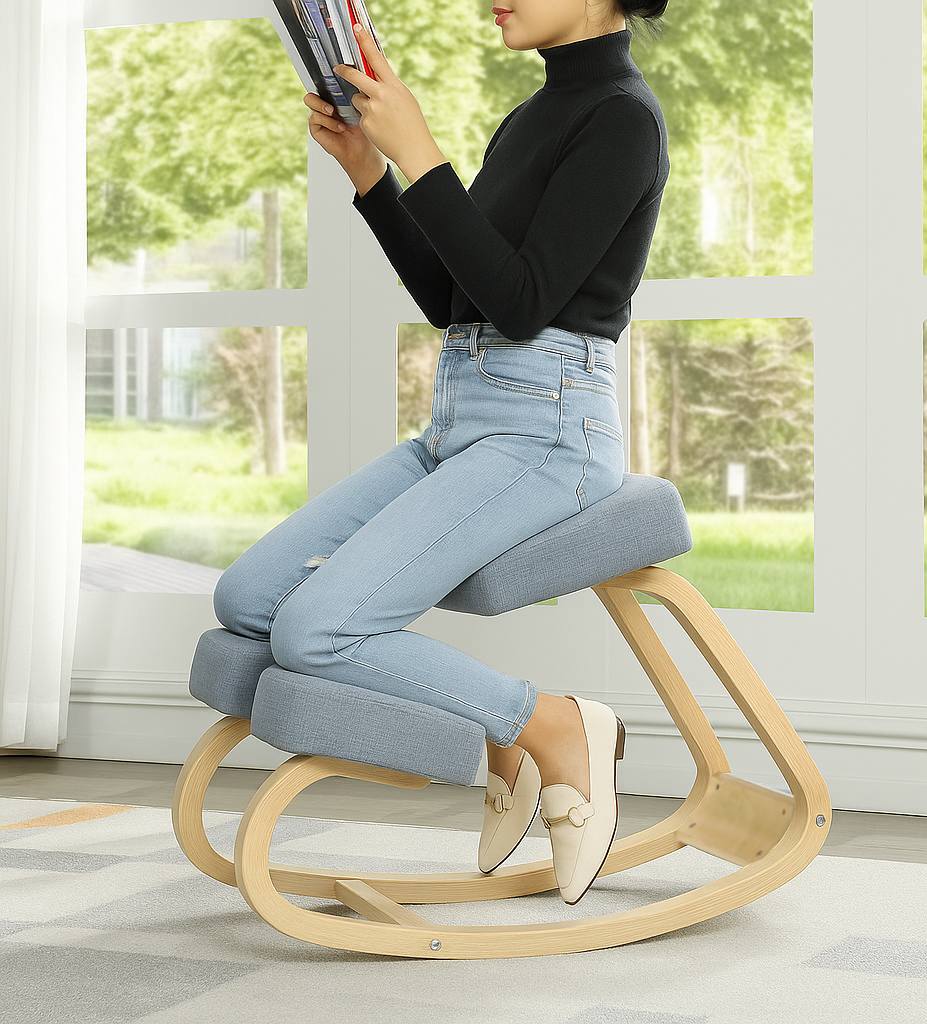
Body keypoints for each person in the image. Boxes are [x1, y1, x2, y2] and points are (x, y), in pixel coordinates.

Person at [214, 0, 670, 906]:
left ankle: (551, 726)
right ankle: (507, 727)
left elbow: (525, 303)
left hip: (550, 431)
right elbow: (451, 295)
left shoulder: (622, 117)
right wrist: (373, 174)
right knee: (250, 598)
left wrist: (422, 150)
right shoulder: (534, 114)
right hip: (461, 416)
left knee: (318, 629)